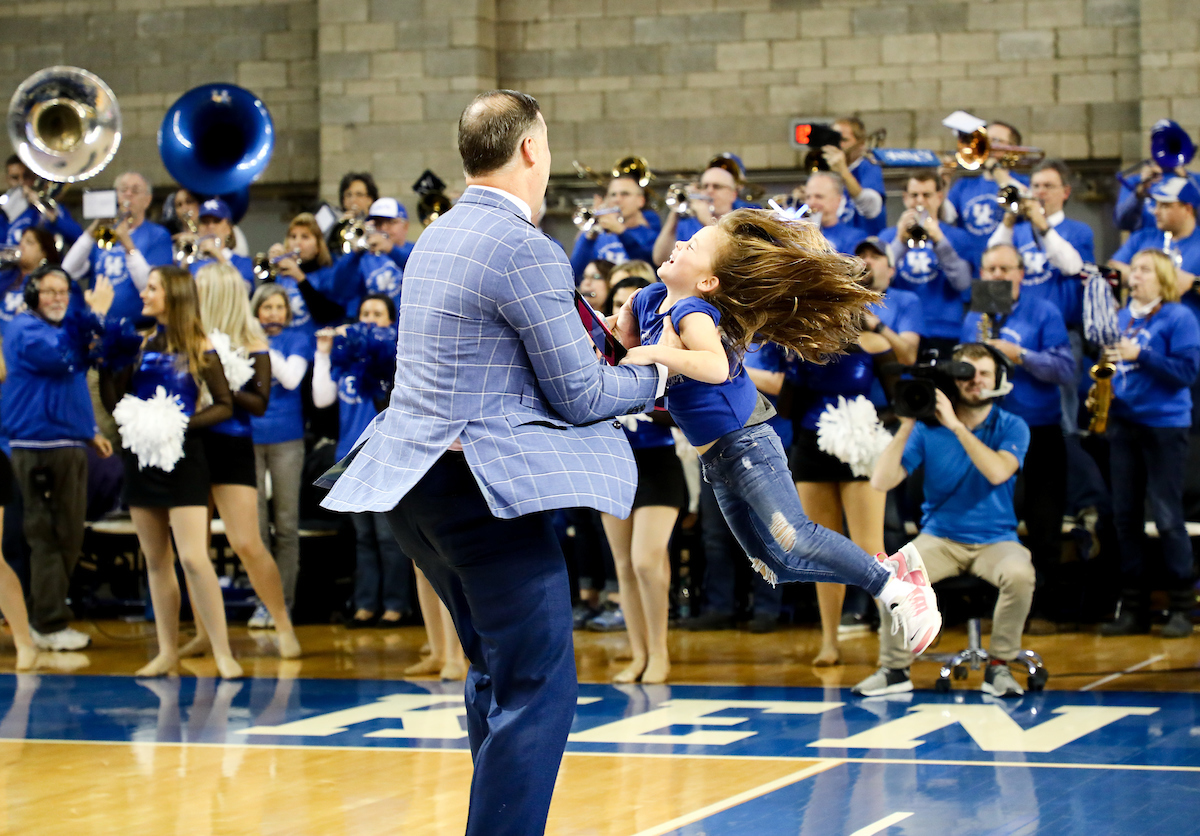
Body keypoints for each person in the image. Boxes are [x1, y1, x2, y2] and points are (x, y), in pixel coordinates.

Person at [320, 90, 669, 836]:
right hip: (479, 494)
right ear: (533, 151)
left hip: (415, 487)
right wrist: (663, 371)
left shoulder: (437, 236)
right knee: (540, 686)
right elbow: (579, 395)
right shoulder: (523, 245)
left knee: (496, 674)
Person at [614, 210, 941, 658]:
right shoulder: (650, 299)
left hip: (747, 444)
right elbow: (616, 336)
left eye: (691, 248)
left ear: (708, 282)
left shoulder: (693, 312)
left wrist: (651, 352)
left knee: (797, 537)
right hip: (717, 460)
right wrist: (612, 327)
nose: (678, 246)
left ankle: (894, 587)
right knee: (775, 565)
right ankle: (893, 568)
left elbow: (712, 366)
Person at [855, 343, 1036, 698]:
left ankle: (998, 666)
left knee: (1020, 573)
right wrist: (907, 424)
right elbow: (880, 481)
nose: (976, 382)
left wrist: (956, 426)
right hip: (940, 538)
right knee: (891, 577)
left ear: (999, 377)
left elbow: (998, 472)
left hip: (997, 539)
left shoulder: (1012, 426)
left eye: (984, 373)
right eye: (967, 373)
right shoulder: (927, 430)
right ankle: (894, 670)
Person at [99, 265, 242, 679]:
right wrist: (108, 362)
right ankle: (166, 651)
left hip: (185, 458)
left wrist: (179, 424)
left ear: (173, 295)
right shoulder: (140, 345)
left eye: (153, 288)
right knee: (156, 560)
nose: (145, 293)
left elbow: (224, 404)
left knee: (195, 558)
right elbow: (115, 402)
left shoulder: (201, 346)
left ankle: (222, 651)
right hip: (142, 458)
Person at [2, 266, 114, 652]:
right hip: (32, 448)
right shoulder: (22, 328)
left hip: (69, 444)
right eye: (48, 291)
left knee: (67, 534)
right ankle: (45, 623)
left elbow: (74, 380)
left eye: (63, 291)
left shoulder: (67, 330)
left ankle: (41, 617)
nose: (56, 298)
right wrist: (95, 317)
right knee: (43, 535)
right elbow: (62, 359)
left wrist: (90, 431)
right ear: (33, 295)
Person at [192, 263, 301, 658]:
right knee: (193, 550)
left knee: (247, 542)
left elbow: (258, 403)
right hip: (192, 444)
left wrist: (221, 385)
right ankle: (205, 632)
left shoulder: (252, 338)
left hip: (232, 443)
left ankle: (283, 624)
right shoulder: (188, 336)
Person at [963, 245, 1073, 630]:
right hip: (989, 432)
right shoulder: (976, 314)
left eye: (1004, 268)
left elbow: (1065, 369)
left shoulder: (1044, 311)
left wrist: (1021, 355)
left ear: (1021, 273)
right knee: (993, 521)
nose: (996, 274)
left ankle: (1043, 609)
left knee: (1043, 523)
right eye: (989, 267)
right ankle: (997, 607)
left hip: (1038, 431)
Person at [785, 298, 897, 666]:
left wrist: (868, 424)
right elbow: (788, 405)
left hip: (859, 447)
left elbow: (900, 401)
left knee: (870, 545)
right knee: (821, 548)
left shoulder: (874, 345)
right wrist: (797, 364)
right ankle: (830, 640)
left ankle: (890, 640)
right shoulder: (806, 346)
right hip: (811, 446)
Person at [1098, 249, 1200, 638]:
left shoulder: (1179, 317)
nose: (1134, 276)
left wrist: (1142, 353)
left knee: (1167, 516)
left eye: (1143, 270)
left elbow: (1186, 373)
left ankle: (1180, 606)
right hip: (1124, 424)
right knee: (1124, 516)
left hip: (1164, 426)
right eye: (1133, 269)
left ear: (1162, 279)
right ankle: (1134, 607)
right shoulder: (1122, 318)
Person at [312, 294, 412, 629]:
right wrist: (325, 352)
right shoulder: (346, 359)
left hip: (383, 455)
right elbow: (323, 398)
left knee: (388, 536)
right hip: (348, 455)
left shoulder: (393, 360)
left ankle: (396, 605)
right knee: (364, 537)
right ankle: (367, 603)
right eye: (364, 312)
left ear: (390, 320)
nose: (369, 318)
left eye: (377, 313)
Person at [249, 284, 311, 613]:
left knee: (286, 524)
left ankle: (282, 603)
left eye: (279, 307)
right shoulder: (240, 339)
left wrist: (259, 345)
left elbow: (289, 379)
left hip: (287, 437)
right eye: (267, 307)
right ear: (256, 310)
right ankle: (263, 600)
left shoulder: (298, 339)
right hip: (249, 437)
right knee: (256, 527)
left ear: (288, 312)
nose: (273, 313)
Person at [879, 171, 975, 356]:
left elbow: (963, 284)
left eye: (927, 195)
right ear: (905, 198)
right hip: (898, 330)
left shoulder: (957, 237)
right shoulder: (887, 237)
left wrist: (940, 241)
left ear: (940, 197)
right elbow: (878, 283)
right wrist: (899, 241)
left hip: (944, 330)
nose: (920, 201)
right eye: (914, 195)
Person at [61, 172, 174, 324]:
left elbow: (150, 286)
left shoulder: (158, 235)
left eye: (135, 191)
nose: (128, 194)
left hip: (139, 328)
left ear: (147, 200)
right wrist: (91, 232)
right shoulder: (104, 232)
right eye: (123, 190)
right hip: (99, 324)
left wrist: (127, 243)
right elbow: (68, 271)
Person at [946, 120, 1030, 266]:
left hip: (1008, 264)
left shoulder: (1023, 182)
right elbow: (945, 217)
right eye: (986, 139)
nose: (989, 145)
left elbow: (1021, 198)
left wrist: (995, 169)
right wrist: (944, 182)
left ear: (1012, 149)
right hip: (971, 265)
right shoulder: (964, 184)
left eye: (996, 141)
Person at [652, 156, 744, 266]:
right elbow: (659, 259)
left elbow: (735, 257)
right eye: (704, 186)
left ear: (732, 194)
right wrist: (674, 215)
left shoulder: (740, 222)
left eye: (717, 186)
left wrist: (708, 221)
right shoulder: (687, 223)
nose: (709, 191)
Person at [326, 197, 411, 316]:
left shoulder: (416, 250)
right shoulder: (362, 258)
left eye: (391, 222)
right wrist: (355, 253)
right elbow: (340, 291)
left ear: (405, 226)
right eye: (378, 223)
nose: (384, 228)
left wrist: (392, 250)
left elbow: (421, 271)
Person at [265, 213, 345, 337]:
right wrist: (272, 270)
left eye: (305, 237)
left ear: (318, 246)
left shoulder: (329, 273)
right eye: (293, 237)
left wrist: (300, 278)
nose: (297, 242)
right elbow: (261, 306)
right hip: (280, 344)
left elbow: (326, 315)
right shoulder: (281, 274)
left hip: (314, 345)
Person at [1109, 176, 1200, 284]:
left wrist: (1192, 283)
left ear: (1187, 209)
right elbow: (1113, 267)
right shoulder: (1143, 237)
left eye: (1165, 206)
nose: (1156, 211)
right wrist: (1148, 278)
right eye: (1156, 205)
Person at [569, 173, 661, 279]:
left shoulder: (650, 234)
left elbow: (651, 265)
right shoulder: (595, 235)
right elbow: (575, 274)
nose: (617, 199)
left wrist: (622, 231)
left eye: (625, 194)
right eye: (613, 195)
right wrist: (589, 239)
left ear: (641, 200)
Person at [856, 236, 924, 367]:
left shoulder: (907, 301)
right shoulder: (844, 300)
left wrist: (878, 326)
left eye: (875, 257)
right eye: (862, 256)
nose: (866, 261)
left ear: (890, 271)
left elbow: (908, 358)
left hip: (889, 382)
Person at [0, 155, 82, 249]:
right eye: (15, 178)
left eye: (26, 176)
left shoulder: (51, 208)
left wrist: (42, 206)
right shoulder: (4, 212)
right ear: (7, 180)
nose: (21, 182)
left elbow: (79, 237)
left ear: (35, 177)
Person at [828, 116, 887, 235]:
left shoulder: (868, 166)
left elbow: (871, 207)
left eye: (844, 140)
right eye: (833, 140)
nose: (837, 146)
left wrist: (844, 172)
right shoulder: (829, 172)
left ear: (861, 144)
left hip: (863, 247)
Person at [0, 227, 59, 338]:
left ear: (43, 253)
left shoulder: (47, 285)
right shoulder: (7, 275)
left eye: (29, 242)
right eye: (21, 241)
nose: (21, 246)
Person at [185, 198, 256, 291]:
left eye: (216, 221)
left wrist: (219, 255)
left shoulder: (242, 262)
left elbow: (245, 290)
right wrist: (184, 264)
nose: (210, 226)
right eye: (205, 222)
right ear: (198, 227)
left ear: (228, 229)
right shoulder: (190, 261)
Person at [802, 171, 867, 254]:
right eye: (808, 197)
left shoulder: (854, 237)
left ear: (838, 200)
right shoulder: (799, 234)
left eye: (819, 197)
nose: (811, 202)